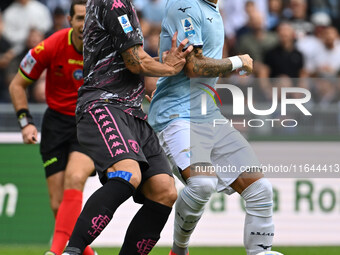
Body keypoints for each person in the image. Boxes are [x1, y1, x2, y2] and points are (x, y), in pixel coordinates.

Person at [62, 0, 192, 254]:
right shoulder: (114, 2)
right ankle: (72, 250)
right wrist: (168, 68)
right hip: (103, 103)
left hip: (132, 110)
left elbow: (128, 60)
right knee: (128, 173)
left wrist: (161, 62)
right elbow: (135, 62)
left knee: (164, 190)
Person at [148, 1, 275, 255]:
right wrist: (238, 61)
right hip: (176, 115)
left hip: (208, 114)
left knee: (261, 190)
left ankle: (261, 252)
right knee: (202, 184)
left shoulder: (212, 9)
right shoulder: (185, 5)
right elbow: (194, 67)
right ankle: (178, 251)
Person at [8, 1, 98, 255]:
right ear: (69, 20)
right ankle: (86, 252)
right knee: (58, 206)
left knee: (75, 177)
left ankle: (55, 252)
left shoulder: (104, 49)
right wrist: (25, 123)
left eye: (89, 18)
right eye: (79, 18)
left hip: (89, 123)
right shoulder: (49, 46)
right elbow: (17, 85)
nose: (84, 24)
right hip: (56, 124)